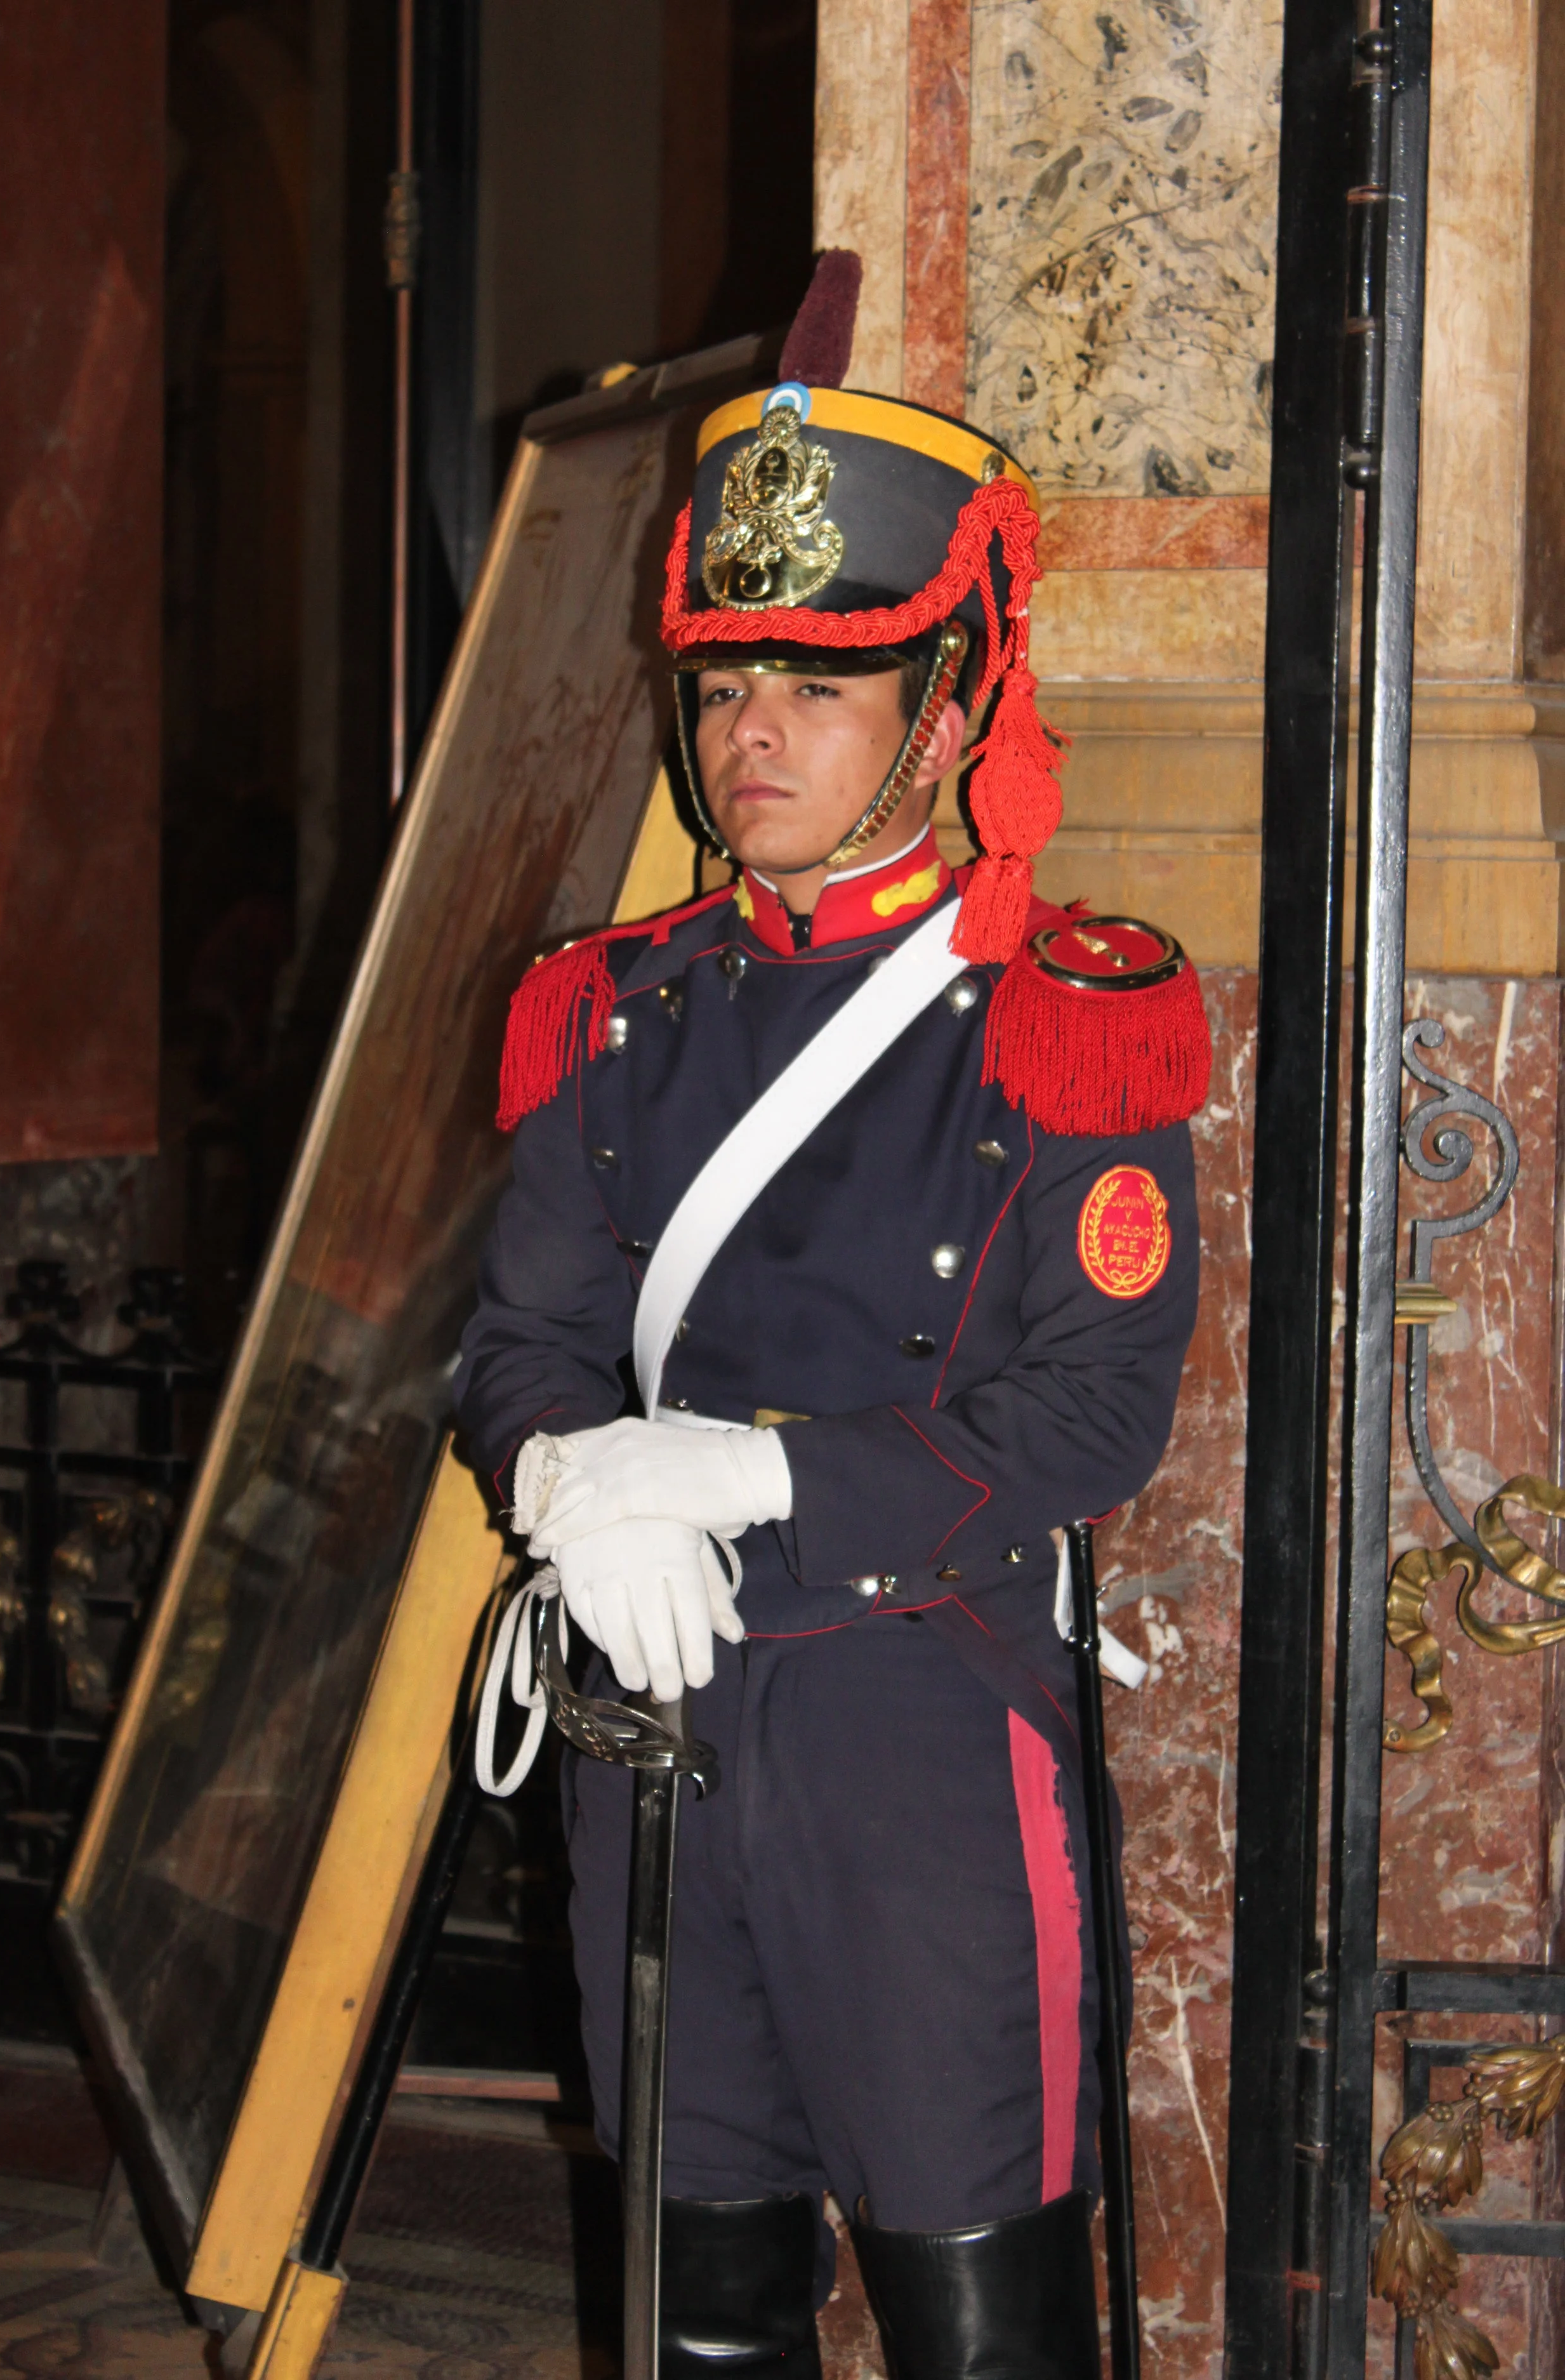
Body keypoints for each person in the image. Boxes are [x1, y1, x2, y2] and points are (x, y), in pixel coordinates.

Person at [455, 253, 1209, 2380]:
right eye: (720, 686)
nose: (749, 735)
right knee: (701, 2309)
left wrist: (746, 1472)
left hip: (919, 1737)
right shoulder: (613, 1009)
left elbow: (1085, 1419)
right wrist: (567, 1483)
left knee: (982, 2324)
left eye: (815, 685)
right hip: (654, 1724)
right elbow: (520, 1338)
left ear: (945, 706)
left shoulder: (1068, 1022)